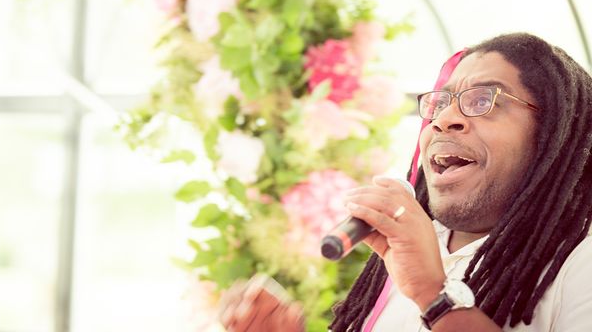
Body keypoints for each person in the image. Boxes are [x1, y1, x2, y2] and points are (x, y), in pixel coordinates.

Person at [218, 32, 592, 331]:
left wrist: (436, 295)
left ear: (552, 135)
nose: (445, 119)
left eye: (481, 100)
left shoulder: (580, 265)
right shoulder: (405, 256)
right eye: (440, 103)